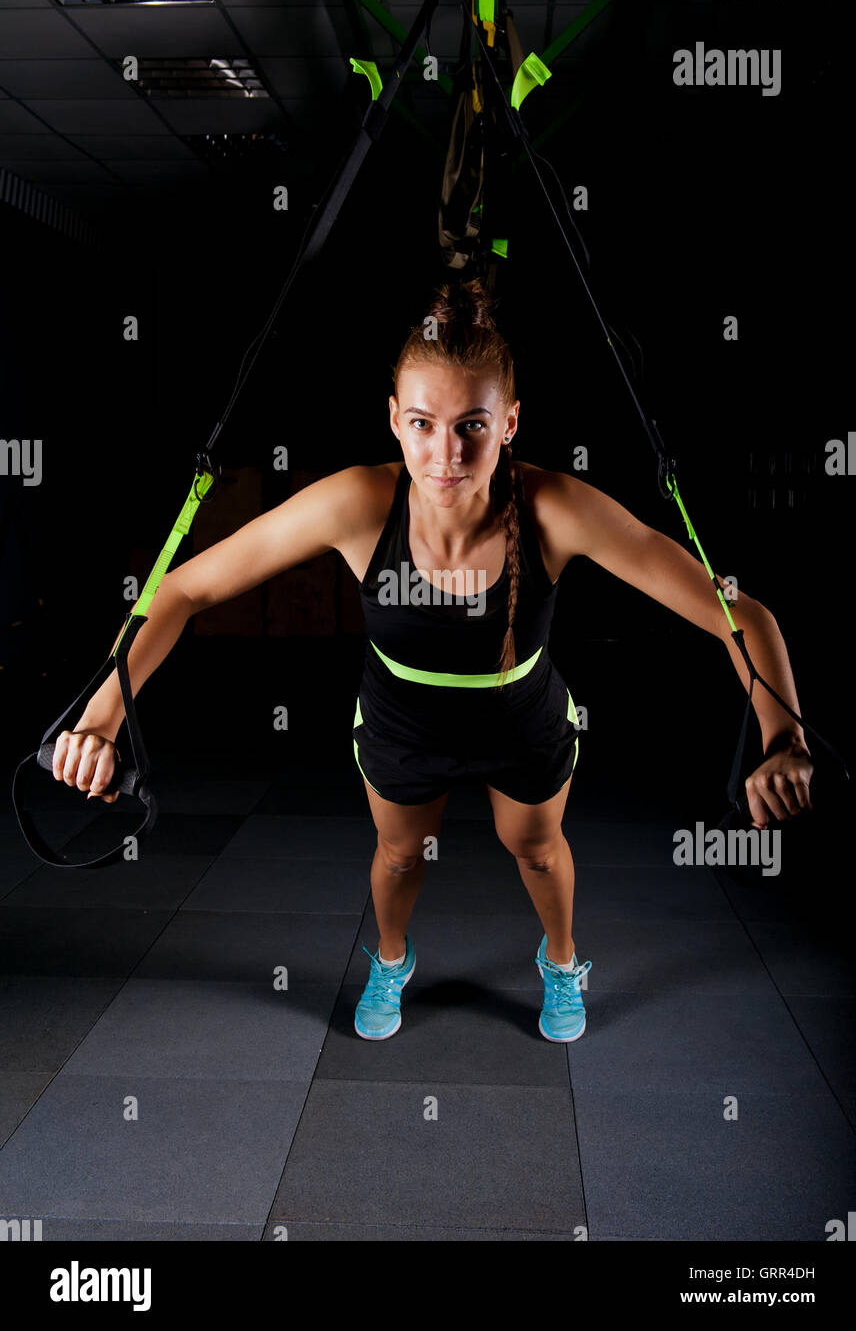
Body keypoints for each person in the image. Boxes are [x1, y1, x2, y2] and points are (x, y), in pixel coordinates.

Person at [50, 279, 814, 1044]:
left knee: (539, 852)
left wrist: (784, 740)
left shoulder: (558, 508)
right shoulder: (355, 504)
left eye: (471, 426)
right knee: (398, 853)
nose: (445, 454)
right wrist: (99, 719)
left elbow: (741, 616)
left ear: (509, 423)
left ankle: (561, 960)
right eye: (422, 424)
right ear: (394, 420)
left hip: (522, 715)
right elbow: (181, 588)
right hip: (399, 717)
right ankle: (389, 958)